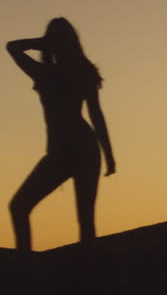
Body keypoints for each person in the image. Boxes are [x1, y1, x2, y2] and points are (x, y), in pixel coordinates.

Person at [6, 17, 116, 256]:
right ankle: (24, 263)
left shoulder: (67, 73)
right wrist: (45, 43)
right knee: (19, 206)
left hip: (81, 149)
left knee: (85, 218)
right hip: (61, 151)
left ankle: (85, 275)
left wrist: (109, 154)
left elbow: (96, 115)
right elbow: (11, 47)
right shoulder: (43, 72)